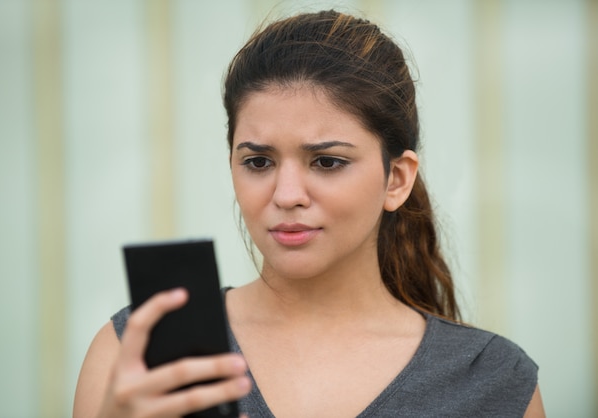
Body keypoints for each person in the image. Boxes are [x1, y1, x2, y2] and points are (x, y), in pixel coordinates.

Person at [74, 9, 545, 417]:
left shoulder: (495, 381)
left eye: (327, 162)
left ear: (397, 179)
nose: (287, 194)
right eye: (258, 162)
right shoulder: (137, 356)